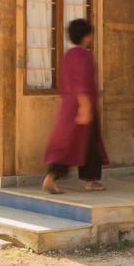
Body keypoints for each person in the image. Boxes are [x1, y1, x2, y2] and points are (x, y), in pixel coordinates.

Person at [42, 18, 108, 194]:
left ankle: (89, 180)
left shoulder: (68, 55)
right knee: (77, 144)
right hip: (82, 105)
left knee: (81, 143)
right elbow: (81, 83)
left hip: (69, 105)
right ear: (87, 36)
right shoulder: (83, 55)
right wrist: (85, 107)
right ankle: (54, 177)